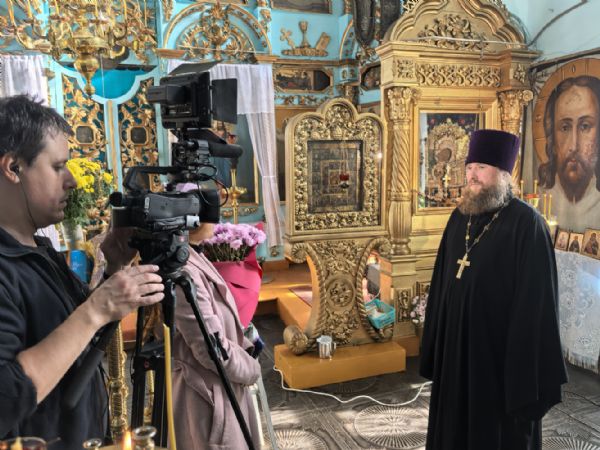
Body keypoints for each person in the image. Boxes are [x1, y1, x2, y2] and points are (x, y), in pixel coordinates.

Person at [0, 95, 165, 449]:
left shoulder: (39, 249)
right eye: (58, 166)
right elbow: (6, 398)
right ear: (13, 168)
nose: (71, 180)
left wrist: (113, 268)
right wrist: (95, 310)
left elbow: (77, 339)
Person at [420, 129, 568, 450]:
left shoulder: (527, 224)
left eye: (482, 168)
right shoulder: (460, 217)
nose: (472, 175)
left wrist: (523, 369)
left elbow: (536, 304)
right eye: (469, 167)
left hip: (496, 358)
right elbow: (442, 281)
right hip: (456, 351)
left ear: (503, 174)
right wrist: (437, 341)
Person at [172, 185, 261, 450]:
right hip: (208, 395)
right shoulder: (183, 271)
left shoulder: (192, 255)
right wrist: (252, 369)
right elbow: (211, 350)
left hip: (222, 384)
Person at [540, 75, 600, 231]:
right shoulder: (537, 203)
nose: (573, 146)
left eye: (585, 126)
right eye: (565, 127)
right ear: (552, 139)